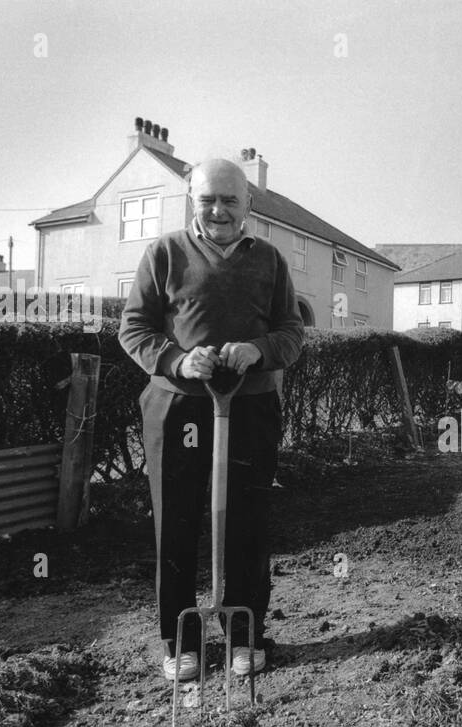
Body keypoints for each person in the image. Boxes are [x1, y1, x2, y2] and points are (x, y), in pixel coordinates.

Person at [119, 158, 304, 682]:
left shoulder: (269, 259)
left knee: (248, 520)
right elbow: (133, 329)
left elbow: (292, 333)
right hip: (177, 406)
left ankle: (245, 635)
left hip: (249, 405)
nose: (219, 210)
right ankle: (181, 640)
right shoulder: (163, 253)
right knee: (174, 522)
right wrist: (178, 359)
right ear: (192, 202)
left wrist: (258, 349)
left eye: (230, 199)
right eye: (208, 200)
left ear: (248, 205)